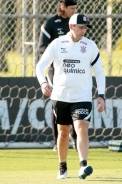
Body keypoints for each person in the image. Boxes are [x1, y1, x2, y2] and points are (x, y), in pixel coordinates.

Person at [36, 13, 106, 180]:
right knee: (63, 132)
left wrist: (101, 95)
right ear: (71, 27)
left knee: (81, 126)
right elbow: (40, 66)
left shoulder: (90, 46)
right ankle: (62, 167)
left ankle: (83, 165)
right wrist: (43, 83)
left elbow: (99, 71)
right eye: (81, 27)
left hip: (82, 97)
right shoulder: (58, 44)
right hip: (60, 96)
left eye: (85, 28)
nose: (84, 31)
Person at [38, 0, 78, 152]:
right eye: (72, 8)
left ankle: (75, 138)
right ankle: (58, 141)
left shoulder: (77, 23)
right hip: (55, 71)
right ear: (63, 7)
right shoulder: (50, 24)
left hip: (74, 69)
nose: (74, 11)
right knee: (58, 103)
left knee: (76, 101)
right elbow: (42, 47)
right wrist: (55, 58)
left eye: (76, 8)